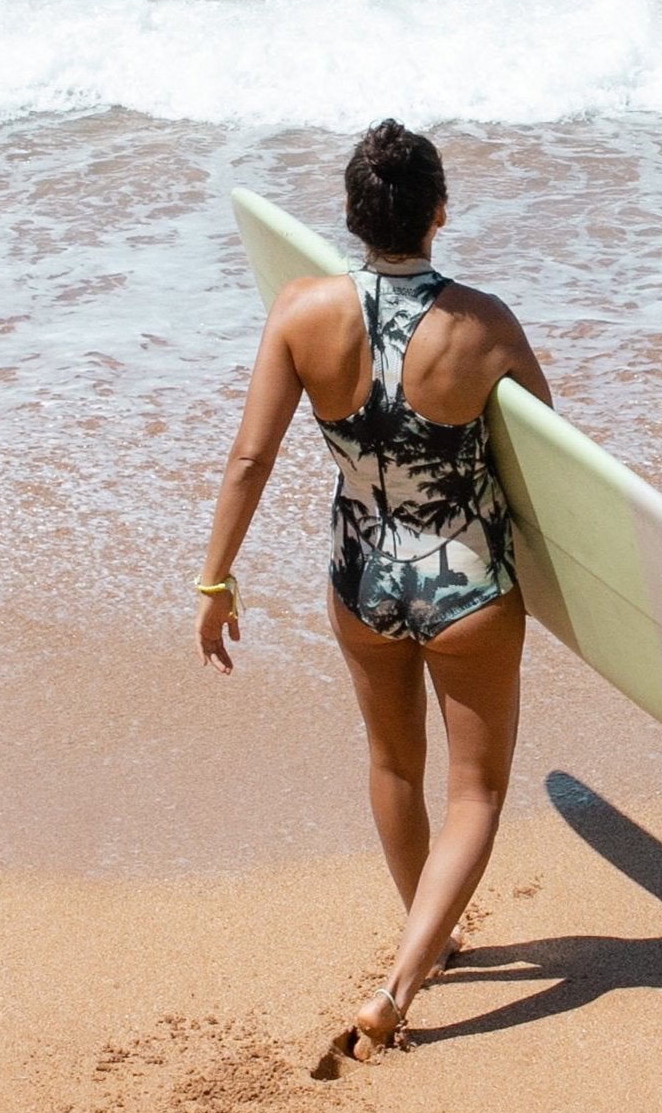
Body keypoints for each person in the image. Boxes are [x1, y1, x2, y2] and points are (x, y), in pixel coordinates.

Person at [195, 119, 550, 1061]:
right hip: (466, 581)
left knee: (393, 768)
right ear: (440, 212)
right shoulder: (484, 324)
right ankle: (400, 981)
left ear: (350, 217)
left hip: (359, 580)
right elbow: (552, 468)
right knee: (475, 792)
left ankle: (426, 940)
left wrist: (215, 580)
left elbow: (249, 457)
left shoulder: (301, 311)